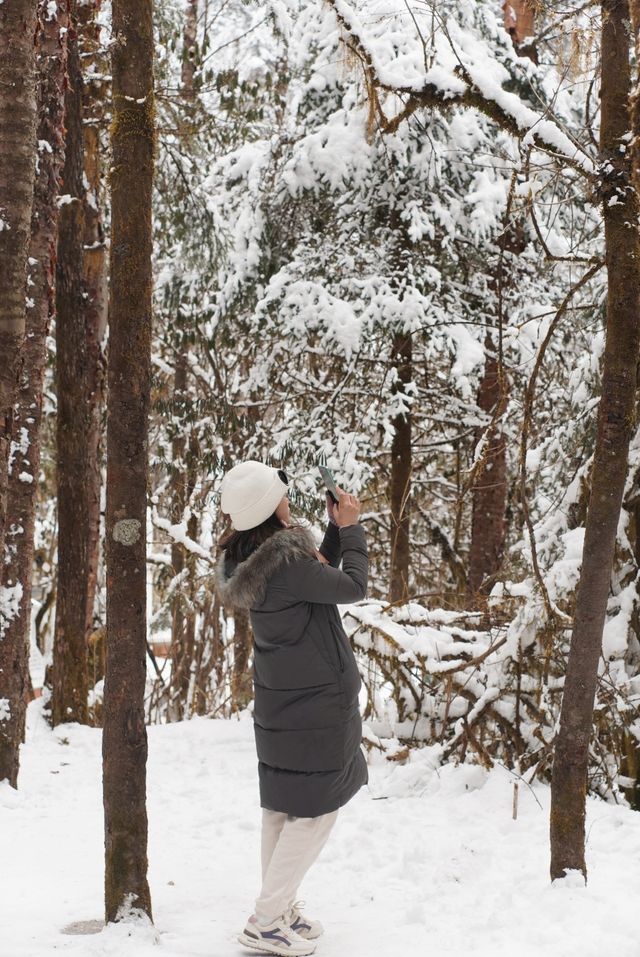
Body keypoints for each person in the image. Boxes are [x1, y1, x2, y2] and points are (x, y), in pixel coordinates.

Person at [215, 460, 369, 957]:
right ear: (268, 506)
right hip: (314, 708)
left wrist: (330, 530)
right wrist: (352, 530)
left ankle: (276, 909)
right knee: (316, 813)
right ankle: (266, 920)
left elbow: (314, 577)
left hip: (282, 709)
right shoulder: (287, 565)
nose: (288, 497)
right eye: (281, 492)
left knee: (282, 809)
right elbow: (351, 587)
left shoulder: (257, 560)